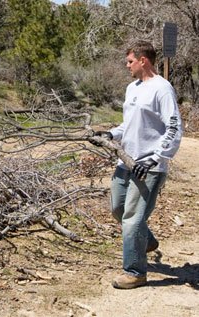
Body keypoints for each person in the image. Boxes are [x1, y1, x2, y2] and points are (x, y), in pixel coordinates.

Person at [91, 40, 182, 289]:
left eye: (130, 61)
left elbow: (174, 128)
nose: (127, 66)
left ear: (144, 60)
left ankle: (135, 272)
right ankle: (147, 240)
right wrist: (110, 134)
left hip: (150, 166)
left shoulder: (162, 89)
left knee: (132, 219)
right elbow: (128, 125)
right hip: (126, 162)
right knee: (117, 208)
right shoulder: (132, 88)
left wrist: (156, 158)